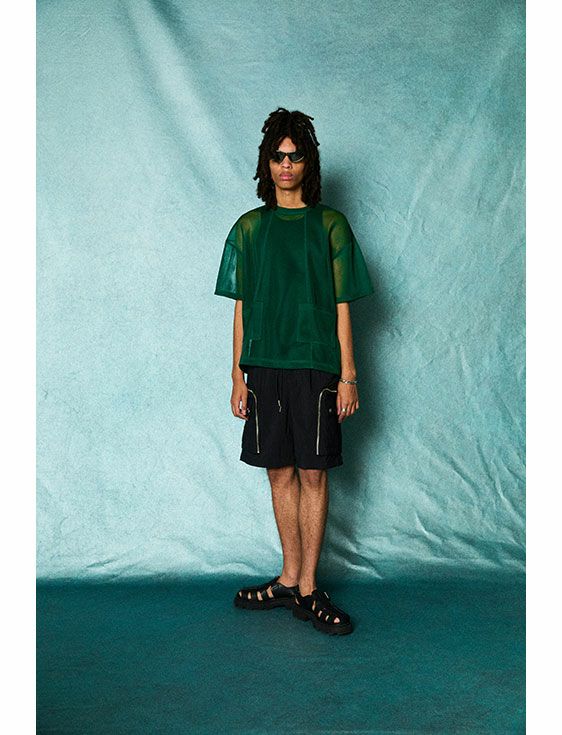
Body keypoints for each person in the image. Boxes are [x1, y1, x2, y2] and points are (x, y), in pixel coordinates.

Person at [214, 107, 374, 636]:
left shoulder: (330, 225)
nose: (286, 165)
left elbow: (343, 305)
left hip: (315, 368)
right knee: (279, 471)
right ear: (267, 163)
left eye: (295, 156)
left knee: (313, 472)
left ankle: (308, 588)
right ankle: (288, 579)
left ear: (308, 163)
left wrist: (348, 375)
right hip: (264, 367)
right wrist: (237, 375)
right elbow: (242, 307)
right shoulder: (249, 228)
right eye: (278, 157)